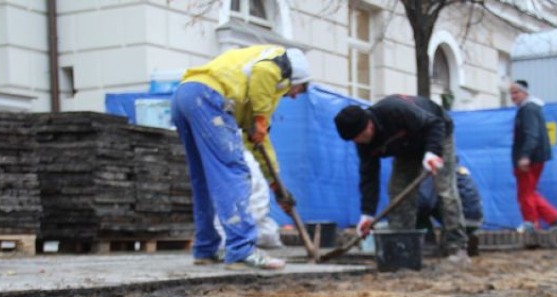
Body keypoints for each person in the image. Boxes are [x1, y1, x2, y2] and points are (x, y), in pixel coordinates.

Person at [171, 45, 310, 270]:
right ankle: (242, 250)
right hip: (209, 98)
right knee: (233, 172)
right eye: (300, 89)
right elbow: (263, 73)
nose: (295, 96)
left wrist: (275, 185)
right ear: (296, 78)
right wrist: (261, 119)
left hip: (186, 95)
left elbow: (257, 140)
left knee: (204, 180)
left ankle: (205, 248)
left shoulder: (252, 93)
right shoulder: (279, 65)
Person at [333, 95, 468, 261]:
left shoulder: (394, 110)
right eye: (354, 140)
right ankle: (402, 246)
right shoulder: (362, 143)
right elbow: (369, 176)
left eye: (359, 136)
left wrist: (433, 152)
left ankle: (457, 247)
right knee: (398, 191)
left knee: (445, 189)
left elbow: (435, 123)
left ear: (368, 123)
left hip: (436, 133)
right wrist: (367, 214)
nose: (359, 141)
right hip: (407, 148)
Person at [509, 80, 557, 233]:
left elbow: (531, 134)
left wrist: (525, 155)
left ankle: (531, 224)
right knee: (530, 191)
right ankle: (554, 217)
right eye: (511, 93)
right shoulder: (532, 108)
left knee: (525, 193)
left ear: (525, 93)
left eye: (516, 92)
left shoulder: (527, 110)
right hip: (536, 157)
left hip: (530, 159)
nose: (513, 96)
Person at [416, 159, 484, 236]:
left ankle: (425, 243)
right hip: (475, 219)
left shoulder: (433, 166)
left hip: (460, 220)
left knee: (416, 211)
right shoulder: (452, 166)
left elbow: (425, 202)